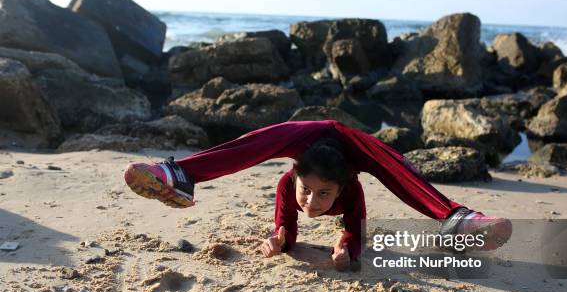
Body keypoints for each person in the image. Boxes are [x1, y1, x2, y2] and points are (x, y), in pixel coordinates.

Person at [124, 120, 511, 270]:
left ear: (342, 190)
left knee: (392, 165)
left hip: (352, 146)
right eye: (305, 192)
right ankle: (179, 174)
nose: (310, 203)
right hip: (310, 137)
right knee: (259, 141)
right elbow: (285, 227)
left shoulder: (352, 192)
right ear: (293, 178)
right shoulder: (288, 185)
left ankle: (458, 219)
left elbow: (356, 231)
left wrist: (348, 248)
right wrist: (279, 238)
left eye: (324, 196)